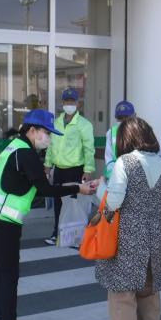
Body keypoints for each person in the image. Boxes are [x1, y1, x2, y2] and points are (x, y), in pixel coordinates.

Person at [0, 109, 96, 320]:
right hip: (1, 221)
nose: (49, 138)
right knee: (9, 273)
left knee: (4, 272)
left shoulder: (17, 148)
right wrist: (77, 187)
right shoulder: (26, 154)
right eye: (46, 133)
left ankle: (6, 318)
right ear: (32, 130)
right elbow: (45, 190)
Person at [95, 116, 161, 320]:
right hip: (157, 236)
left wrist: (100, 188)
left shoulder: (125, 162)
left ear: (126, 139)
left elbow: (113, 203)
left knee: (122, 293)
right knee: (149, 291)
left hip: (128, 236)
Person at [43, 88, 95, 245]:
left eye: (72, 101)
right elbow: (51, 146)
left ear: (77, 103)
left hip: (75, 170)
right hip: (58, 170)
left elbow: (89, 148)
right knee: (58, 203)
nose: (69, 104)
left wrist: (88, 170)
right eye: (67, 101)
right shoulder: (57, 122)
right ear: (63, 102)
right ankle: (57, 234)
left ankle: (75, 236)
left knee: (74, 204)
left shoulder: (84, 124)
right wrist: (47, 164)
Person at [104, 100, 136, 180]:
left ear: (134, 116)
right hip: (116, 177)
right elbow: (109, 160)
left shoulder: (139, 131)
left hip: (136, 176)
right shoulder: (111, 133)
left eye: (127, 118)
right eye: (120, 118)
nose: (123, 121)